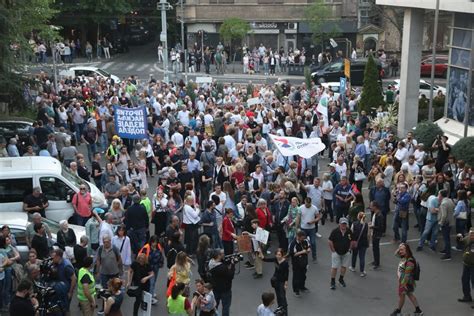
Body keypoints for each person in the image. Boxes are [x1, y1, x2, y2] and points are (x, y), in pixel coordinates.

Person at [390, 243, 423, 316]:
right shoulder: (404, 257)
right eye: (400, 249)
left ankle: (398, 311)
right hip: (405, 282)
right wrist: (400, 247)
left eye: (402, 249)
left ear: (407, 250)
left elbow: (407, 275)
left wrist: (402, 285)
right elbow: (395, 254)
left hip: (405, 282)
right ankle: (418, 310)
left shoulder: (409, 262)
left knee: (402, 296)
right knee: (410, 294)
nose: (400, 251)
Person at [328, 217, 353, 290]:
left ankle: (341, 279)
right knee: (334, 267)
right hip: (336, 252)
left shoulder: (349, 231)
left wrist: (350, 249)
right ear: (339, 224)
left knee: (344, 266)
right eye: (342, 224)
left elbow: (352, 240)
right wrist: (333, 250)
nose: (344, 225)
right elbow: (330, 241)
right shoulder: (335, 231)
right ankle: (332, 281)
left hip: (346, 252)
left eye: (345, 224)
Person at [208, 249, 235, 316]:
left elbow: (221, 263)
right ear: (218, 256)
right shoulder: (222, 268)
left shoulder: (211, 263)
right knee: (225, 307)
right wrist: (233, 266)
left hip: (215, 288)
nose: (222, 255)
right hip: (225, 290)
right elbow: (230, 275)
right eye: (221, 254)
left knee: (214, 306)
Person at [264, 248, 288, 316]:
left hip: (282, 281)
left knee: (283, 297)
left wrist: (286, 283)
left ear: (282, 255)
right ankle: (280, 309)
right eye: (277, 255)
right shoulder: (275, 259)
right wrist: (261, 253)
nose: (278, 256)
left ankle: (285, 312)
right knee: (278, 296)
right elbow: (265, 259)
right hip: (276, 281)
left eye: (279, 255)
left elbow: (287, 273)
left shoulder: (285, 263)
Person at [288, 230, 310, 297]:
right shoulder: (293, 244)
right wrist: (302, 252)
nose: (303, 239)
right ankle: (296, 290)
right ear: (298, 237)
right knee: (296, 277)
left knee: (303, 275)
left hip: (304, 262)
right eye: (302, 238)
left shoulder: (305, 241)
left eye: (304, 238)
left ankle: (302, 287)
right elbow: (293, 254)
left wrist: (308, 249)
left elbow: (308, 247)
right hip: (296, 263)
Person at [299, 197, 320, 262]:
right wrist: (297, 227)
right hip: (303, 228)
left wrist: (313, 221)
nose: (307, 205)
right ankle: (302, 256)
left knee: (313, 243)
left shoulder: (314, 208)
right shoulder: (301, 208)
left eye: (308, 204)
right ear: (304, 202)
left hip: (311, 229)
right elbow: (298, 217)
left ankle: (314, 257)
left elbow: (318, 217)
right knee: (302, 243)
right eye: (306, 204)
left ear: (310, 203)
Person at [457, 228, 474, 303]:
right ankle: (467, 296)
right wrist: (458, 238)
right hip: (466, 264)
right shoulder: (467, 238)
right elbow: (461, 242)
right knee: (465, 280)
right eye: (470, 233)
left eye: (473, 234)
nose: (471, 235)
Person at [349, 212, 369, 277]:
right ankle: (362, 271)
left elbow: (351, 233)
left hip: (355, 242)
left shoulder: (354, 224)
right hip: (363, 243)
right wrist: (368, 242)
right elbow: (368, 235)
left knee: (354, 255)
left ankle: (353, 267)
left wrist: (351, 241)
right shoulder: (366, 225)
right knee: (362, 257)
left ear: (358, 217)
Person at [438, 189, 455, 261]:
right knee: (447, 237)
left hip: (446, 223)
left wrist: (441, 223)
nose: (438, 196)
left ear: (441, 195)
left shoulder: (443, 203)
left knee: (446, 238)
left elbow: (444, 215)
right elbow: (453, 207)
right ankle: (446, 250)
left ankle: (448, 254)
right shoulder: (450, 200)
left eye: (439, 194)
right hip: (450, 221)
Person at [369, 201, 384, 269]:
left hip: (377, 234)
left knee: (376, 248)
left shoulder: (379, 215)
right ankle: (375, 261)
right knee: (374, 248)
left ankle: (377, 263)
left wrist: (372, 226)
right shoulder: (375, 213)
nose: (370, 207)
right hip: (374, 233)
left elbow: (380, 227)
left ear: (375, 207)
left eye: (371, 206)